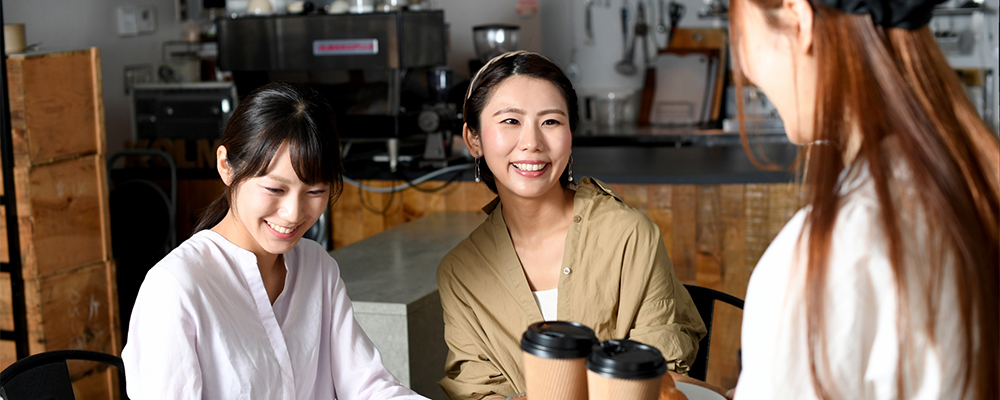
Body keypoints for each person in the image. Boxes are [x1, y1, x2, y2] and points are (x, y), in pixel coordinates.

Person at [728, 0, 1000, 398]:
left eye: (739, 32)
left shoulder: (826, 257)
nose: (746, 71)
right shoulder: (979, 186)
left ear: (797, 17)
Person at [122, 82, 427, 399]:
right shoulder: (175, 287)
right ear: (226, 166)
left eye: (315, 192)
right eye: (275, 189)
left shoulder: (316, 266)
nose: (293, 213)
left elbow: (367, 386)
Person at [435, 51, 709, 400]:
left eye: (550, 121)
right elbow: (475, 390)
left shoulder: (628, 236)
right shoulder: (460, 272)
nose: (532, 142)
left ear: (570, 134)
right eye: (510, 121)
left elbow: (661, 365)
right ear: (474, 139)